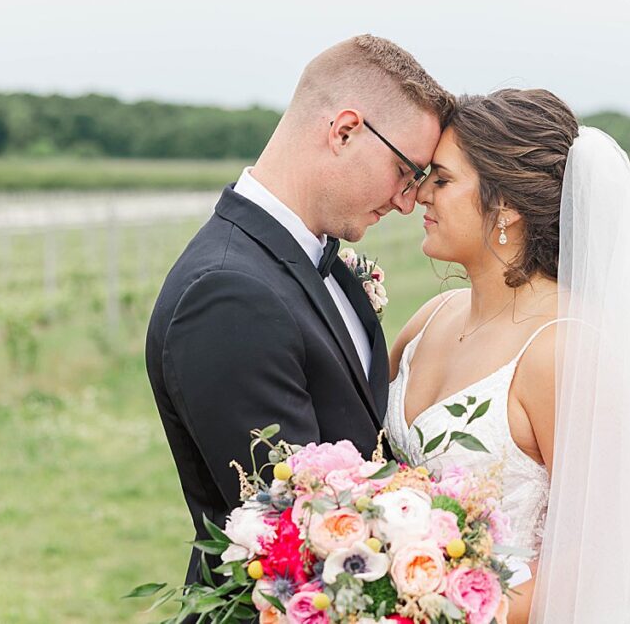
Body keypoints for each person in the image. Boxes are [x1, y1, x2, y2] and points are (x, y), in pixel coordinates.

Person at [386, 89, 630, 622]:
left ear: (506, 207)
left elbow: (598, 565)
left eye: (443, 180)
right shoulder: (430, 318)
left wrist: (424, 609)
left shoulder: (564, 350)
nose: (421, 193)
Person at [145, 34, 454, 587]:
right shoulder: (227, 294)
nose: (408, 201)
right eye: (405, 171)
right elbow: (301, 529)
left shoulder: (317, 261)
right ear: (344, 131)